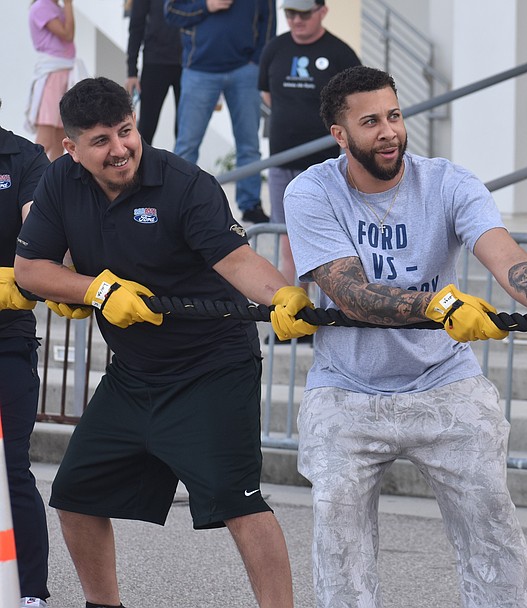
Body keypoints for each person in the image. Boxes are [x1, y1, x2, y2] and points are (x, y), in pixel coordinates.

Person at [284, 65, 527, 608]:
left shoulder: (449, 182)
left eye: (395, 115)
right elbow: (350, 292)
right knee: (338, 538)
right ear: (340, 135)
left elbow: (504, 254)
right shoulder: (311, 191)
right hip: (346, 387)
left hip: (444, 379)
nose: (388, 131)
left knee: (492, 527)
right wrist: (436, 303)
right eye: (370, 122)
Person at [14, 76, 317, 608]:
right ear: (71, 148)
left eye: (125, 132)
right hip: (134, 373)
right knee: (75, 496)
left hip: (212, 367)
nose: (119, 149)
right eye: (101, 140)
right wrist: (97, 288)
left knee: (241, 505)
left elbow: (239, 262)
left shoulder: (184, 183)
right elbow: (30, 269)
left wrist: (284, 299)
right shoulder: (60, 182)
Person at [258, 0, 360, 287]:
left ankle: (323, 313)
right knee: (287, 243)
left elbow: (357, 104)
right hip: (281, 161)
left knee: (328, 241)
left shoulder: (341, 54)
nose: (296, 20)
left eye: (303, 13)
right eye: (290, 13)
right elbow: (267, 95)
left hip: (326, 165)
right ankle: (292, 318)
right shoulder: (274, 48)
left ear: (322, 11)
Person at [0, 99, 51, 608]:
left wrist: (28, 270)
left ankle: (29, 592)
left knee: (10, 465)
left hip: (6, 336)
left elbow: (38, 233)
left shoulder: (24, 158)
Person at [164, 0, 275, 224]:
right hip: (199, 70)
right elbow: (172, 13)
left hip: (245, 69)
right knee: (187, 146)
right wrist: (207, 5)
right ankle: (176, 204)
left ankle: (250, 204)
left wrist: (257, 62)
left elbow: (269, 21)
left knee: (249, 145)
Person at [124, 0, 182, 145]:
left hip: (189, 65)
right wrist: (132, 72)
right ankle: (141, 168)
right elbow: (136, 26)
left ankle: (183, 168)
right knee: (146, 128)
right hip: (155, 63)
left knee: (184, 131)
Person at [26, 0, 77, 161]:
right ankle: (26, 180)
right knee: (46, 138)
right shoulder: (41, 7)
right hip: (52, 74)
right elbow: (67, 34)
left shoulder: (56, 7)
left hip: (65, 74)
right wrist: (68, 5)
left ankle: (52, 182)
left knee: (60, 138)